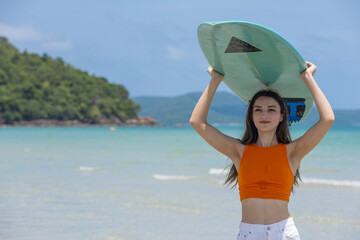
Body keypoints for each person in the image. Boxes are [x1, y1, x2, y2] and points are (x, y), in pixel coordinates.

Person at [189, 61, 335, 240]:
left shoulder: (293, 152)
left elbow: (327, 119)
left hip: (283, 233)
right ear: (251, 116)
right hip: (249, 234)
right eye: (258, 110)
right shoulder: (238, 151)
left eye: (271, 110)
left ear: (282, 115)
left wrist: (307, 77)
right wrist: (215, 80)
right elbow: (197, 122)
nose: (264, 115)